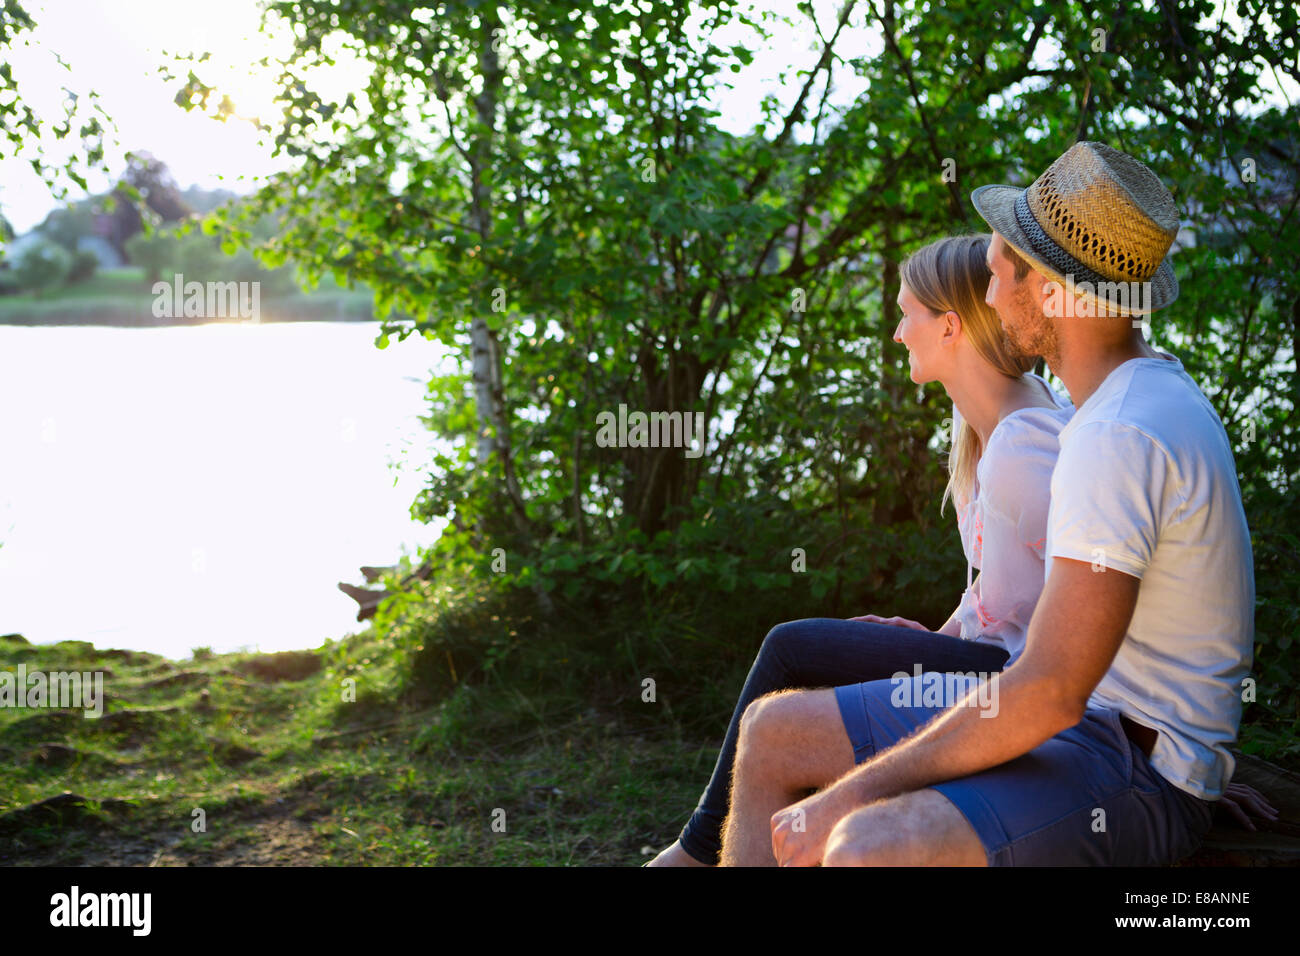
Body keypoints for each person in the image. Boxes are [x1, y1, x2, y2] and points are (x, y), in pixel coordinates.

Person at [726, 141, 1268, 867]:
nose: (984, 300)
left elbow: (1048, 693)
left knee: (866, 844)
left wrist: (849, 794)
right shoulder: (1129, 400)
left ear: (1047, 288)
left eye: (995, 274)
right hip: (1095, 731)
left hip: (1134, 772)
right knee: (772, 730)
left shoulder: (1116, 434)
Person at [647, 233, 1074, 866]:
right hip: (986, 660)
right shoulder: (980, 428)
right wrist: (932, 635)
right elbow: (996, 587)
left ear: (951, 326)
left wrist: (1148, 741)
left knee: (793, 649)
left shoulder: (1024, 446)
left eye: (908, 315)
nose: (899, 333)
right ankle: (713, 845)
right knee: (824, 650)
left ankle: (693, 854)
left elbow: (1106, 597)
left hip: (1016, 686)